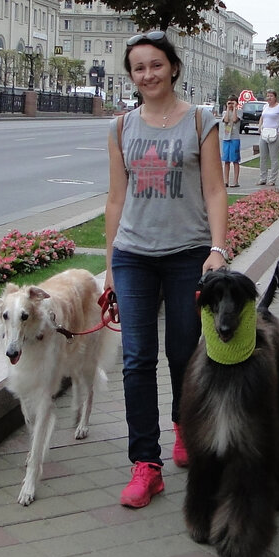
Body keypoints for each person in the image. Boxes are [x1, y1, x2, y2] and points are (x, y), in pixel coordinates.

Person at [105, 30, 229, 507]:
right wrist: (112, 264)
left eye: (156, 65)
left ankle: (183, 426)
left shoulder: (201, 121)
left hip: (187, 255)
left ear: (173, 67)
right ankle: (145, 465)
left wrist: (218, 248)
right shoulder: (120, 128)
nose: (148, 74)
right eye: (139, 68)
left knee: (183, 355)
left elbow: (216, 190)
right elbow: (116, 198)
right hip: (134, 254)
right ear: (131, 75)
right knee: (137, 360)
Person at [257, 89, 279, 186]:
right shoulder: (265, 106)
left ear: (275, 97)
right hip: (264, 133)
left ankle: (272, 179)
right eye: (268, 96)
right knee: (263, 157)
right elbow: (262, 117)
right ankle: (262, 178)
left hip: (275, 133)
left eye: (271, 96)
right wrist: (260, 126)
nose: (269, 98)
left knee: (273, 157)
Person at [219, 96, 242, 188]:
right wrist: (228, 109)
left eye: (233, 103)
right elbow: (226, 120)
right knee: (226, 161)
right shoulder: (225, 112)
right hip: (226, 138)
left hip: (235, 138)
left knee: (235, 160)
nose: (231, 105)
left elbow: (235, 120)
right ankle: (226, 181)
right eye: (229, 103)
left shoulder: (239, 112)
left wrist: (235, 108)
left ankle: (235, 181)